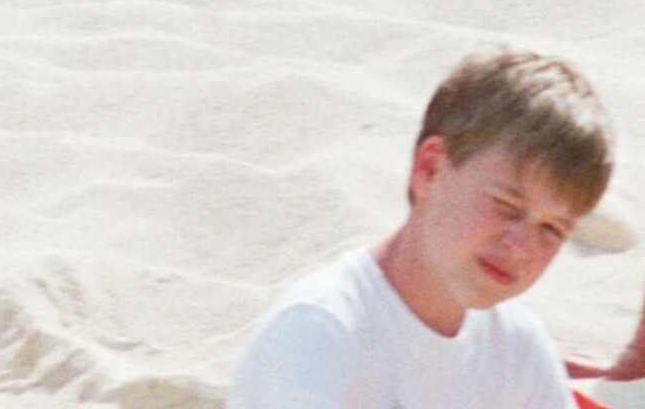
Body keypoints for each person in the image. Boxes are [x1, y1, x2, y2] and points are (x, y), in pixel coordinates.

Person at [227, 46, 615, 409]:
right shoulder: (321, 331)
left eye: (552, 229)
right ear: (429, 169)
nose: (521, 246)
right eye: (507, 207)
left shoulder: (519, 351)